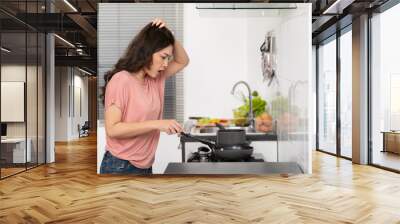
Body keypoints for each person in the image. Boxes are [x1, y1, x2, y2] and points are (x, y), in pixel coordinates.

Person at [100, 18, 189, 174]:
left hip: (146, 166)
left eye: (168, 58)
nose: (166, 64)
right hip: (120, 166)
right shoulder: (121, 80)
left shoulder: (155, 78)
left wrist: (170, 36)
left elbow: (183, 61)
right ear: (147, 52)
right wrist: (157, 124)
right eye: (163, 57)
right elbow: (112, 129)